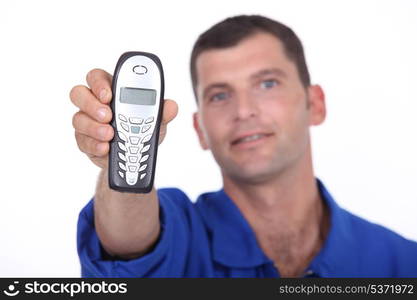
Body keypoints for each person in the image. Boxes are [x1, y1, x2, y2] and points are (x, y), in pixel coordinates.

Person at [70, 15, 417, 277]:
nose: (244, 110)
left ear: (316, 104)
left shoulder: (403, 262)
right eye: (219, 95)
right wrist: (115, 154)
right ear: (200, 129)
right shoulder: (177, 231)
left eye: (267, 83)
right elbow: (127, 244)